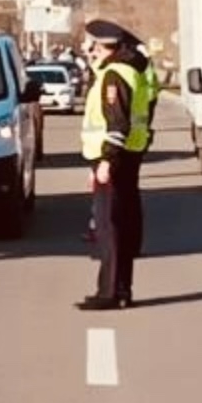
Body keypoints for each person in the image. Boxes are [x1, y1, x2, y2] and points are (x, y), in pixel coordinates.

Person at [78, 18, 154, 311]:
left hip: (115, 157)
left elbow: (117, 122)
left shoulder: (114, 75)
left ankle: (108, 292)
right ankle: (121, 289)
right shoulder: (127, 70)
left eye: (91, 45)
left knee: (110, 227)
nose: (88, 50)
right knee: (121, 223)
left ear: (101, 46)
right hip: (126, 156)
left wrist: (107, 160)